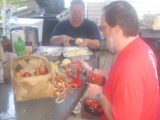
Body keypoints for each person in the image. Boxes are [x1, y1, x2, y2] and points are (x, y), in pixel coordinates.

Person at [77, 1, 159, 120]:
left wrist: (99, 95)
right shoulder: (141, 48)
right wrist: (89, 69)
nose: (102, 33)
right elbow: (116, 79)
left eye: (103, 28)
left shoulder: (130, 68)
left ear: (116, 29)